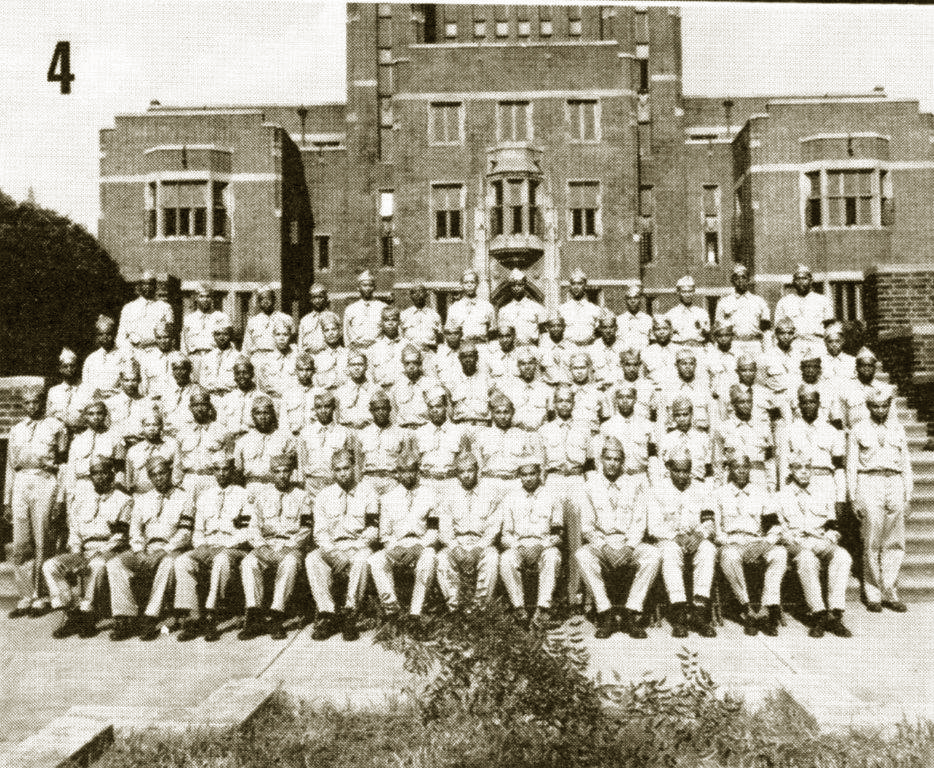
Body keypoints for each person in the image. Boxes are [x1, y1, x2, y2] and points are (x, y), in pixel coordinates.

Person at [576, 437, 661, 639]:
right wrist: (604, 546)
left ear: (623, 461)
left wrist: (630, 547)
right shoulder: (590, 486)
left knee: (653, 554)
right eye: (608, 459)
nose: (613, 463)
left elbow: (639, 522)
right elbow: (587, 527)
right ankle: (606, 613)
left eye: (617, 459)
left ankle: (632, 612)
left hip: (627, 543)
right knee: (582, 555)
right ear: (601, 460)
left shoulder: (635, 485)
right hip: (602, 543)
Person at [107, 455, 193, 641]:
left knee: (168, 563)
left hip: (172, 548)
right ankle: (125, 617)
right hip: (146, 549)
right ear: (149, 477)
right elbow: (135, 531)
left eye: (162, 473)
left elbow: (185, 533)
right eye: (153, 475)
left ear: (170, 473)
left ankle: (150, 616)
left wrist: (165, 549)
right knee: (115, 564)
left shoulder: (184, 498)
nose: (159, 478)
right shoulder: (143, 499)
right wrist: (139, 551)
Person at [44, 456, 131, 638]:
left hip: (108, 549)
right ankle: (72, 612)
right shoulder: (81, 499)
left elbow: (120, 536)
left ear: (112, 474)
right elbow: (74, 531)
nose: (99, 477)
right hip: (82, 549)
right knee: (50, 565)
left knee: (96, 565)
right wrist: (76, 553)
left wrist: (94, 556)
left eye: (103, 473)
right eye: (95, 473)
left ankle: (87, 614)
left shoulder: (123, 500)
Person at [4, 386, 67, 618]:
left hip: (45, 480)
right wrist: (7, 500)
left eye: (36, 402)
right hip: (21, 482)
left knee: (43, 539)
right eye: (27, 403)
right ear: (23, 405)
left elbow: (63, 465)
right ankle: (25, 596)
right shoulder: (17, 429)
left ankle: (42, 596)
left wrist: (60, 496)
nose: (32, 407)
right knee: (21, 543)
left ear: (43, 403)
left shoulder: (56, 427)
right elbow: (11, 467)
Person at [847, 386, 912, 613]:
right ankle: (873, 592)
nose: (880, 410)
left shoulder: (898, 429)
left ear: (890, 405)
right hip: (869, 481)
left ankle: (890, 591)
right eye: (875, 406)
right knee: (872, 540)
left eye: (885, 405)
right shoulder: (858, 429)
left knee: (895, 542)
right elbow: (852, 465)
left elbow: (906, 464)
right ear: (868, 407)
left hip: (894, 481)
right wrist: (853, 496)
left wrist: (908, 495)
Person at [174, 456, 253, 642]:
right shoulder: (204, 496)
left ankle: (211, 614)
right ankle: (194, 616)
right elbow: (198, 530)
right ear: (212, 472)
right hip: (208, 544)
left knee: (221, 559)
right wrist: (201, 545)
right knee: (182, 560)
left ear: (232, 471)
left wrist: (225, 546)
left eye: (226, 469)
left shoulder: (244, 496)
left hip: (234, 547)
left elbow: (246, 531)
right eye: (217, 469)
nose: (222, 473)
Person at [776, 454, 852, 638]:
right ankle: (819, 613)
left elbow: (832, 525)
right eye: (798, 467)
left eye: (807, 467)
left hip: (819, 540)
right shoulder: (780, 496)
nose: (803, 472)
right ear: (791, 471)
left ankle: (835, 613)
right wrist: (787, 538)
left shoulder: (823, 492)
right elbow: (777, 527)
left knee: (843, 556)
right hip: (796, 542)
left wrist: (831, 536)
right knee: (806, 558)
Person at [306, 448, 379, 641]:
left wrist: (352, 550)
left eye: (346, 468)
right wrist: (332, 552)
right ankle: (327, 613)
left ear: (354, 467)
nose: (343, 473)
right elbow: (320, 532)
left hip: (358, 546)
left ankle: (350, 613)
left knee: (363, 558)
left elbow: (372, 530)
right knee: (312, 558)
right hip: (333, 547)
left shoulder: (368, 493)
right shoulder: (323, 496)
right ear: (332, 471)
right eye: (337, 470)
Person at [239, 453, 313, 641]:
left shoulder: (302, 497)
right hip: (267, 544)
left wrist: (290, 545)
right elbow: (253, 527)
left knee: (289, 562)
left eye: (286, 471)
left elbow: (306, 529)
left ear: (291, 473)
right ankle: (254, 614)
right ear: (272, 473)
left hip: (290, 546)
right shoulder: (262, 497)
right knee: (249, 562)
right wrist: (261, 546)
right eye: (277, 472)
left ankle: (276, 615)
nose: (282, 475)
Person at [644, 451, 718, 638]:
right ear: (669, 469)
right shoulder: (656, 490)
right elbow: (653, 527)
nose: (682, 475)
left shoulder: (701, 489)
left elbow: (709, 521)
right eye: (677, 471)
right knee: (670, 552)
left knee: (708, 550)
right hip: (669, 540)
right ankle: (679, 613)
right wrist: (675, 537)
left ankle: (699, 613)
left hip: (694, 538)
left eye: (686, 471)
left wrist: (700, 535)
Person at [715, 454, 787, 636]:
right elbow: (716, 531)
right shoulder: (719, 494)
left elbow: (774, 525)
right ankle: (747, 608)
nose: (741, 471)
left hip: (756, 540)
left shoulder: (761, 493)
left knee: (779, 553)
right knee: (729, 555)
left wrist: (765, 543)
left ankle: (765, 608)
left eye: (745, 467)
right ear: (729, 470)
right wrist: (731, 542)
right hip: (732, 541)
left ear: (750, 470)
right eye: (736, 467)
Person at [369, 449, 440, 632]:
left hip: (422, 544)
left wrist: (420, 546)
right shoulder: (387, 499)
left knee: (430, 557)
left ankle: (416, 613)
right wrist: (393, 548)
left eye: (411, 470)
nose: (407, 475)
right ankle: (392, 612)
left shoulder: (431, 495)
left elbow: (433, 530)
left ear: (418, 472)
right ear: (397, 473)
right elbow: (384, 534)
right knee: (376, 560)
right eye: (402, 471)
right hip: (397, 545)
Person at [539, 384, 590, 606]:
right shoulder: (544, 430)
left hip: (577, 480)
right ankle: (554, 597)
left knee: (578, 540)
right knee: (554, 537)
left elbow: (590, 465)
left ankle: (576, 597)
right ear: (554, 403)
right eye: (559, 400)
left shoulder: (584, 429)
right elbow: (541, 467)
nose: (564, 404)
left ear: (573, 403)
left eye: (568, 401)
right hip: (554, 481)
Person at [498, 455, 563, 628]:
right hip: (519, 545)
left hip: (544, 545)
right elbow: (505, 535)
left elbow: (558, 534)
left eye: (532, 473)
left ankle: (542, 610)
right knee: (506, 559)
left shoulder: (552, 496)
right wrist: (517, 547)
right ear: (519, 476)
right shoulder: (510, 498)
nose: (528, 478)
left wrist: (542, 546)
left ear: (539, 473)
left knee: (553, 557)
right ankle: (519, 609)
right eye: (524, 474)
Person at [436, 451, 502, 612]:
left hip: (482, 543)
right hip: (458, 542)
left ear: (477, 470)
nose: (466, 475)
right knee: (442, 558)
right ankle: (455, 607)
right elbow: (444, 528)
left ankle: (479, 607)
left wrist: (479, 548)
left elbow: (494, 528)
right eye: (461, 471)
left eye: (470, 470)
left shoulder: (491, 493)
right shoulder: (448, 495)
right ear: (456, 473)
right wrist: (455, 548)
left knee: (492, 557)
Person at [778, 384, 846, 505]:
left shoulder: (831, 431)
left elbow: (839, 467)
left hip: (825, 483)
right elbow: (784, 467)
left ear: (819, 404)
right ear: (799, 405)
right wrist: (785, 495)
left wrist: (840, 499)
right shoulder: (789, 431)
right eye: (804, 403)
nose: (808, 406)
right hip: (798, 485)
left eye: (812, 402)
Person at [474, 393, 541, 509]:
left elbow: (529, 465)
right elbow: (478, 466)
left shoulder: (522, 435)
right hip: (489, 482)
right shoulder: (482, 435)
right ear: (492, 414)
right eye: (498, 412)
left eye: (506, 412)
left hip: (514, 483)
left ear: (512, 413)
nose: (502, 416)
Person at [713, 385, 776, 491]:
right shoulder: (723, 428)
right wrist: (718, 485)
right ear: (733, 405)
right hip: (732, 480)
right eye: (741, 402)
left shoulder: (763, 427)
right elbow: (718, 460)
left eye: (749, 401)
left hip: (758, 478)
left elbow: (770, 459)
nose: (746, 405)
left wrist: (772, 483)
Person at [297, 389, 353, 502]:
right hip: (312, 484)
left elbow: (351, 463)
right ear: (314, 409)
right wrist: (302, 484)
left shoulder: (344, 433)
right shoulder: (305, 433)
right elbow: (301, 462)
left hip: (334, 483)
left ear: (333, 408)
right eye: (319, 407)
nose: (323, 411)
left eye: (327, 407)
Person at [62, 401, 126, 498]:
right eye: (91, 414)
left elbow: (120, 468)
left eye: (99, 413)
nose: (95, 417)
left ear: (105, 415)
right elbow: (71, 470)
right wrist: (70, 493)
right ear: (85, 416)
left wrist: (117, 489)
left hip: (106, 487)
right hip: (82, 486)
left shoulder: (115, 437)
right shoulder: (78, 440)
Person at [233, 396, 295, 495]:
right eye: (258, 413)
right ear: (252, 416)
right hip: (251, 487)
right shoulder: (243, 441)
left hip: (275, 488)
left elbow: (291, 470)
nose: (262, 417)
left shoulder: (285, 438)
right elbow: (238, 471)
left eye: (266, 412)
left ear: (272, 414)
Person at [413, 387, 468, 498]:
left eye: (438, 406)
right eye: (431, 407)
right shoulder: (419, 433)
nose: (434, 410)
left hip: (451, 483)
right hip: (426, 483)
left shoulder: (459, 432)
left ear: (446, 407)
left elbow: (465, 461)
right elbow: (415, 462)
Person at [176, 388, 225, 504]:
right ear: (190, 408)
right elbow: (177, 462)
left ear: (209, 406)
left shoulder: (221, 431)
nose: (199, 408)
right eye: (195, 405)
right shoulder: (182, 432)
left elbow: (228, 462)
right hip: (189, 480)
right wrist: (178, 483)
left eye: (203, 404)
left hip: (212, 480)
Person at [598, 383, 656, 480]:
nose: (625, 401)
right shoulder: (606, 426)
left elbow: (652, 458)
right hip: (617, 479)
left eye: (629, 397)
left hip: (640, 477)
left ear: (635, 399)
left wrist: (653, 481)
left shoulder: (647, 425)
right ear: (616, 400)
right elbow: (600, 459)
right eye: (621, 397)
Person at [358, 390, 407, 498]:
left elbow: (406, 464)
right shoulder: (362, 434)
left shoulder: (401, 433)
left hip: (392, 481)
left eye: (384, 408)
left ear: (389, 409)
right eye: (376, 409)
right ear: (371, 411)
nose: (380, 412)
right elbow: (358, 464)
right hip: (369, 482)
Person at [774, 264, 834, 352]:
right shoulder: (784, 302)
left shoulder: (823, 300)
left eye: (804, 278)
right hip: (793, 345)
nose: (801, 282)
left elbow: (830, 328)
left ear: (811, 280)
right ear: (793, 281)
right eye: (798, 279)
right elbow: (777, 329)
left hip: (817, 344)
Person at [714, 264, 770, 357]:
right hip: (734, 344)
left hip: (755, 344)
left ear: (748, 280)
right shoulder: (724, 302)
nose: (740, 281)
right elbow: (718, 329)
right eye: (736, 278)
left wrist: (767, 351)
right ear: (732, 281)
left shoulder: (759, 301)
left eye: (743, 277)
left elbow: (766, 330)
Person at [654, 348, 713, 435]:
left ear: (695, 365)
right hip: (674, 440)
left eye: (691, 363)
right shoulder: (667, 390)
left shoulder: (704, 390)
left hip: (700, 439)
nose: (688, 367)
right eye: (683, 363)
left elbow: (712, 421)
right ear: (676, 366)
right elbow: (661, 422)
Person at [656, 397, 712, 489]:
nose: (681, 419)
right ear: (673, 416)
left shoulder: (703, 438)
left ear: (692, 414)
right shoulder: (667, 439)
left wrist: (708, 487)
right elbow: (662, 468)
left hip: (698, 485)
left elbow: (709, 467)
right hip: (674, 487)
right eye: (677, 415)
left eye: (685, 414)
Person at [124, 409, 182, 495]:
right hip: (140, 495)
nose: (151, 428)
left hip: (164, 495)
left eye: (155, 425)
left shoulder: (172, 446)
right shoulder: (133, 450)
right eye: (147, 425)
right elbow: (129, 479)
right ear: (143, 427)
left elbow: (177, 473)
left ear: (161, 426)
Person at [442, 342, 494, 437]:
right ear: (459, 359)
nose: (468, 360)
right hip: (460, 428)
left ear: (477, 357)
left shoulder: (487, 379)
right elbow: (447, 405)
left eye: (471, 356)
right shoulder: (452, 380)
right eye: (464, 357)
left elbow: (494, 404)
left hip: (483, 427)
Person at [498, 346, 552, 431]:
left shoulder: (546, 390)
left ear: (536, 365)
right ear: (518, 366)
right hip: (516, 434)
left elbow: (551, 418)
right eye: (523, 364)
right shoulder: (509, 390)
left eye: (530, 363)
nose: (527, 367)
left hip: (540, 434)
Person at [116, 270, 173, 352]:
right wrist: (128, 352)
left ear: (156, 286)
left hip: (156, 353)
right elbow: (121, 336)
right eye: (144, 284)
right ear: (139, 286)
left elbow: (169, 335)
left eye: (151, 284)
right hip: (133, 352)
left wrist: (149, 343)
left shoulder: (165, 307)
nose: (148, 287)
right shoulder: (128, 308)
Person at [106, 358, 155, 446]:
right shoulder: (110, 403)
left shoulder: (148, 403)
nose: (130, 384)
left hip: (141, 445)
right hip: (116, 445)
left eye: (134, 380)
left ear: (139, 380)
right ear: (121, 381)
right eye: (126, 380)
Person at [241, 285, 292, 370]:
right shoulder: (253, 322)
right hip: (257, 361)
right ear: (258, 302)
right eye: (262, 299)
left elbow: (292, 344)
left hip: (278, 359)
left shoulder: (285, 318)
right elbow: (246, 348)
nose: (265, 301)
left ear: (274, 300)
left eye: (268, 298)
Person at [182, 283, 225, 381]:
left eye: (208, 296)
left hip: (214, 358)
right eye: (201, 296)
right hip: (195, 359)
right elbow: (184, 345)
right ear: (196, 298)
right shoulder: (189, 319)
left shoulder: (221, 317)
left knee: (213, 386)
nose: (205, 299)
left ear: (212, 298)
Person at [390, 345, 439, 430]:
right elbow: (393, 415)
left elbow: (437, 412)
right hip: (403, 430)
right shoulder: (396, 388)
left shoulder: (431, 384)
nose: (411, 367)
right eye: (407, 363)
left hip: (424, 430)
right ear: (403, 364)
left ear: (420, 363)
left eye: (415, 362)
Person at [82, 315, 126, 401]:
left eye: (108, 333)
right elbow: (86, 385)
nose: (105, 337)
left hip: (117, 401)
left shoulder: (124, 355)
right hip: (95, 402)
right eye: (101, 334)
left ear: (114, 334)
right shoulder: (91, 359)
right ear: (97, 336)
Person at [839, 347, 884, 430]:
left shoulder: (884, 388)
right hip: (854, 436)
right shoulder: (846, 389)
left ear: (875, 368)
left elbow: (892, 419)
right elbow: (842, 419)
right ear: (856, 367)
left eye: (870, 365)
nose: (867, 368)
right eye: (863, 365)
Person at [218, 356, 263, 441]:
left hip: (253, 443)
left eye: (245, 372)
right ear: (234, 376)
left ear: (252, 374)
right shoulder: (226, 399)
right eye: (238, 373)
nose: (241, 376)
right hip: (231, 442)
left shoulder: (261, 397)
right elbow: (220, 426)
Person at [334, 352, 382, 429]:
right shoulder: (340, 392)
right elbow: (335, 418)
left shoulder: (376, 390)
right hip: (346, 430)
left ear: (366, 366)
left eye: (360, 364)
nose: (357, 368)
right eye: (353, 365)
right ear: (348, 367)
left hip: (370, 430)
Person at [498, 269, 546, 345]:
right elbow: (501, 333)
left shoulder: (537, 308)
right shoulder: (504, 310)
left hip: (532, 347)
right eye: (513, 285)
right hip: (512, 349)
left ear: (524, 285)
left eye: (520, 285)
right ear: (510, 287)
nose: (516, 288)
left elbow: (544, 333)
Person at [447, 269, 495, 343]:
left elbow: (493, 332)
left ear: (477, 283)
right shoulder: (454, 308)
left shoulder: (487, 306)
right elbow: (449, 333)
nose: (469, 285)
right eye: (466, 283)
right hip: (462, 348)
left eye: (472, 282)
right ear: (461, 284)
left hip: (482, 347)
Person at [154, 353, 198, 434]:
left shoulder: (197, 391)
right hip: (168, 435)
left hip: (189, 434)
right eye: (176, 369)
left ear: (189, 370)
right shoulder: (166, 392)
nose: (179, 373)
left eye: (183, 369)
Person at [566, 352, 608, 435]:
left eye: (582, 367)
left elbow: (606, 420)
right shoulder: (565, 392)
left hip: (592, 438)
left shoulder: (598, 393)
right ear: (570, 370)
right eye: (575, 368)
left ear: (589, 369)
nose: (579, 372)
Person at [257, 316, 297, 402]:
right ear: (273, 336)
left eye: (285, 334)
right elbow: (260, 388)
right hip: (273, 402)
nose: (282, 338)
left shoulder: (297, 357)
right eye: (278, 334)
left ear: (290, 336)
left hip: (292, 402)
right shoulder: (266, 360)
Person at [198, 314, 239, 398]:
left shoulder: (238, 357)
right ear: (214, 336)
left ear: (231, 336)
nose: (221, 337)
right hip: (211, 396)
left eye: (225, 334)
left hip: (231, 397)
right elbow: (202, 382)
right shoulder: (207, 357)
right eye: (218, 334)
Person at [343, 270, 385, 351]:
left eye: (370, 285)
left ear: (374, 287)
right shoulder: (350, 309)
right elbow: (346, 334)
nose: (367, 288)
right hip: (357, 351)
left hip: (377, 349)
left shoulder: (382, 307)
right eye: (364, 285)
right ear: (358, 287)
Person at [559, 268, 602, 346]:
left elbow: (600, 332)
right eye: (573, 284)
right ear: (570, 286)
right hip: (569, 348)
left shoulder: (594, 309)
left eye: (579, 284)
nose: (576, 287)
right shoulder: (562, 309)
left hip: (589, 348)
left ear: (585, 285)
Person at [47, 348, 85, 432]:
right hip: (59, 436)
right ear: (60, 369)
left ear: (77, 367)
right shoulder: (53, 391)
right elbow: (48, 418)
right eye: (65, 366)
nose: (69, 369)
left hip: (81, 435)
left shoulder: (87, 389)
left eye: (72, 366)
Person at [280, 351, 318, 436]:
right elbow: (283, 424)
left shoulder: (320, 393)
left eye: (308, 370)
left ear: (314, 371)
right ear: (296, 371)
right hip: (294, 437)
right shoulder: (288, 394)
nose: (304, 374)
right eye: (301, 370)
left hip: (314, 438)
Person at [369, 305, 407, 388]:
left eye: (394, 320)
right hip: (381, 392)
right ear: (382, 323)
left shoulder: (407, 345)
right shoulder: (374, 348)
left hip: (403, 391)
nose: (390, 323)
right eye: (386, 320)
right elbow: (369, 376)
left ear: (399, 322)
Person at [665, 275, 709, 347]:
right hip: (678, 348)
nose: (688, 295)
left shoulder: (702, 313)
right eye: (684, 292)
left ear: (694, 291)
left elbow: (707, 336)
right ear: (678, 292)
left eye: (690, 291)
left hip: (698, 348)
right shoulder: (671, 314)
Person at [760, 318, 799, 396]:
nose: (786, 337)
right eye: (782, 333)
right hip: (776, 400)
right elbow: (761, 384)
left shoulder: (799, 355)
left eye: (790, 333)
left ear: (794, 334)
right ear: (776, 334)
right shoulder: (767, 356)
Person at [313, 311, 351, 390]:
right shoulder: (317, 357)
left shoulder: (348, 354)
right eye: (327, 330)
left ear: (340, 331)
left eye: (334, 329)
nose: (331, 333)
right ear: (323, 333)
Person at [400, 283, 442, 352]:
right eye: (414, 292)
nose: (418, 295)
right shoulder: (404, 315)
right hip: (410, 355)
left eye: (421, 291)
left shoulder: (434, 315)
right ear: (410, 296)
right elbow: (400, 337)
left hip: (430, 353)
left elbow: (440, 340)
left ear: (426, 295)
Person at [589, 311, 626, 387]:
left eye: (611, 327)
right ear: (600, 328)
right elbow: (589, 376)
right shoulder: (593, 349)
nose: (608, 331)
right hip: (600, 389)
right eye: (605, 327)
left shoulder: (624, 348)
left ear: (616, 328)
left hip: (620, 390)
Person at [141, 320, 178, 395]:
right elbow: (144, 386)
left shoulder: (179, 358)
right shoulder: (148, 359)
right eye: (159, 338)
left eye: (166, 337)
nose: (162, 341)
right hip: (154, 402)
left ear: (172, 338)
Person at [641, 317, 677, 391]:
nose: (661, 332)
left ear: (671, 330)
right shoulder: (646, 352)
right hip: (655, 391)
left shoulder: (679, 350)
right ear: (653, 332)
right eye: (658, 329)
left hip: (675, 390)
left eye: (665, 328)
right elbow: (642, 377)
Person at [616, 283, 652, 352]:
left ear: (640, 299)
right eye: (629, 298)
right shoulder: (619, 320)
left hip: (643, 358)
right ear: (626, 300)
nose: (632, 301)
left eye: (635, 298)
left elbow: (653, 342)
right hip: (624, 359)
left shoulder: (648, 319)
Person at [538, 315, 574, 384]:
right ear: (547, 328)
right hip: (548, 387)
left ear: (564, 327)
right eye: (552, 326)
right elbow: (538, 371)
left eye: (559, 326)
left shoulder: (571, 347)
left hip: (567, 386)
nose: (556, 328)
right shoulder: (541, 348)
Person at [298, 284, 331, 356]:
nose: (317, 300)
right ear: (310, 299)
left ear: (326, 298)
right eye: (314, 297)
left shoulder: (332, 317)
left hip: (327, 356)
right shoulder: (305, 320)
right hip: (309, 356)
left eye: (320, 297)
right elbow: (300, 343)